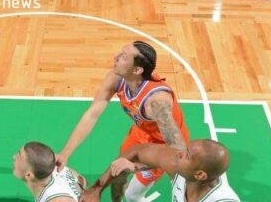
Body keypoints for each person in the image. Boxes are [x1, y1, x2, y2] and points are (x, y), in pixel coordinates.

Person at [55, 41, 189, 202]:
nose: (115, 57)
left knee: (132, 195)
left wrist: (136, 166)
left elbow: (179, 153)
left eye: (124, 57)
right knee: (118, 171)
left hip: (164, 145)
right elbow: (92, 114)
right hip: (142, 133)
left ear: (137, 70)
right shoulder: (117, 77)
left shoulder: (157, 102)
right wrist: (65, 154)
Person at [81, 140, 240, 202]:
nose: (179, 154)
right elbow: (138, 151)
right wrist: (98, 189)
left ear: (199, 174)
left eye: (187, 155)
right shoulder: (178, 167)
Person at [13, 142, 84, 202]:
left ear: (29, 175)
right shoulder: (60, 169)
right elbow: (83, 181)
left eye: (18, 156)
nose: (14, 157)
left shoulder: (55, 199)